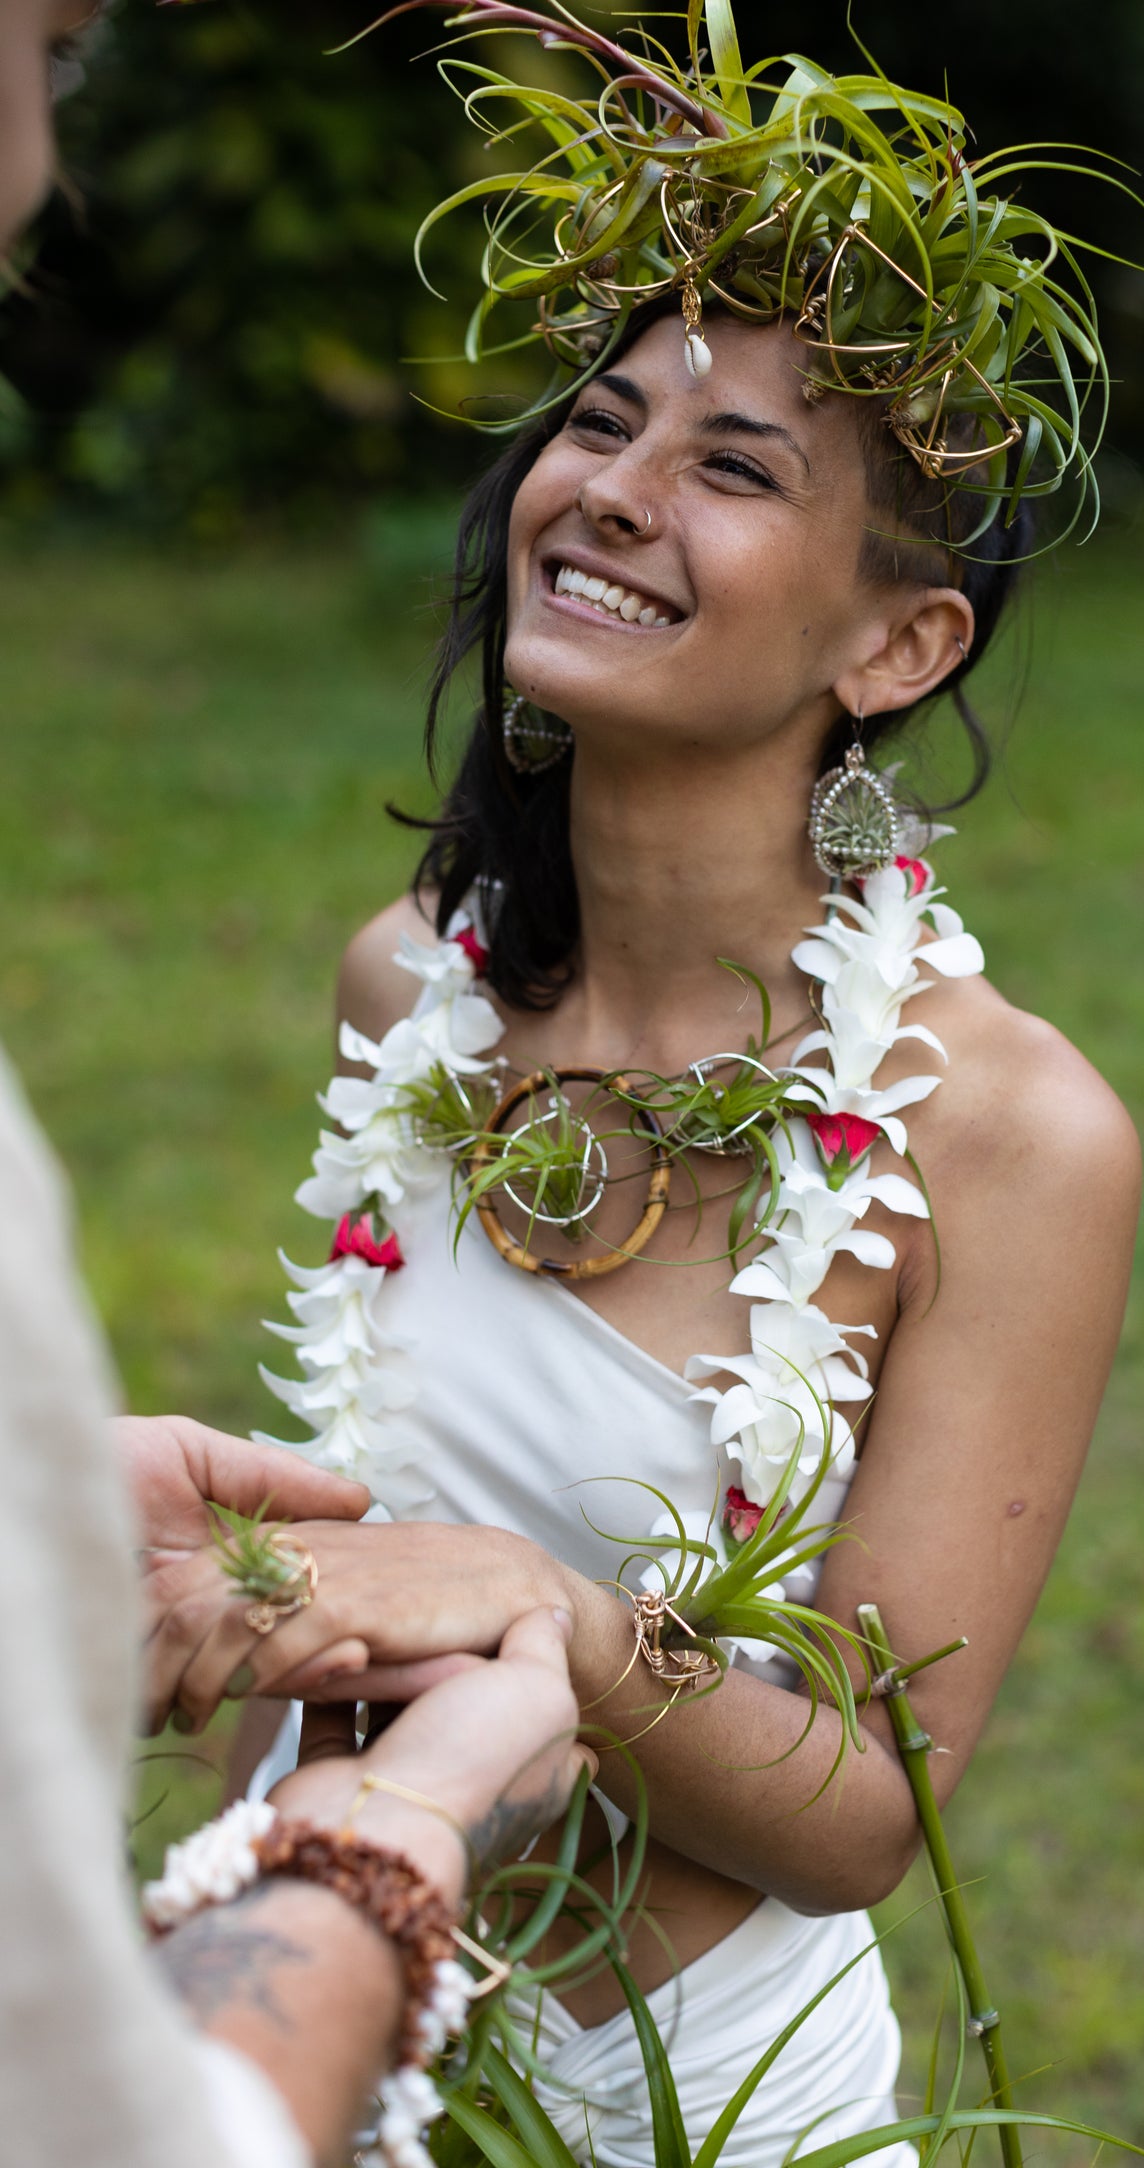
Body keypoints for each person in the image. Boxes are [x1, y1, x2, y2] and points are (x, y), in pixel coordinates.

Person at [145, 8, 1144, 2165]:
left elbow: (867, 1820)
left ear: (899, 648)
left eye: (737, 466)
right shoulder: (407, 993)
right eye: (600, 426)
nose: (607, 489)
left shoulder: (1007, 1135)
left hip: (699, 2102)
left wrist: (545, 1615)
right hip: (307, 2006)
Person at [0, 6, 585, 2164]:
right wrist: (393, 1833)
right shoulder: (408, 991)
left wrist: (61, 1557)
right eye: (52, 42)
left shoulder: (1004, 1120)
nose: (55, 149)